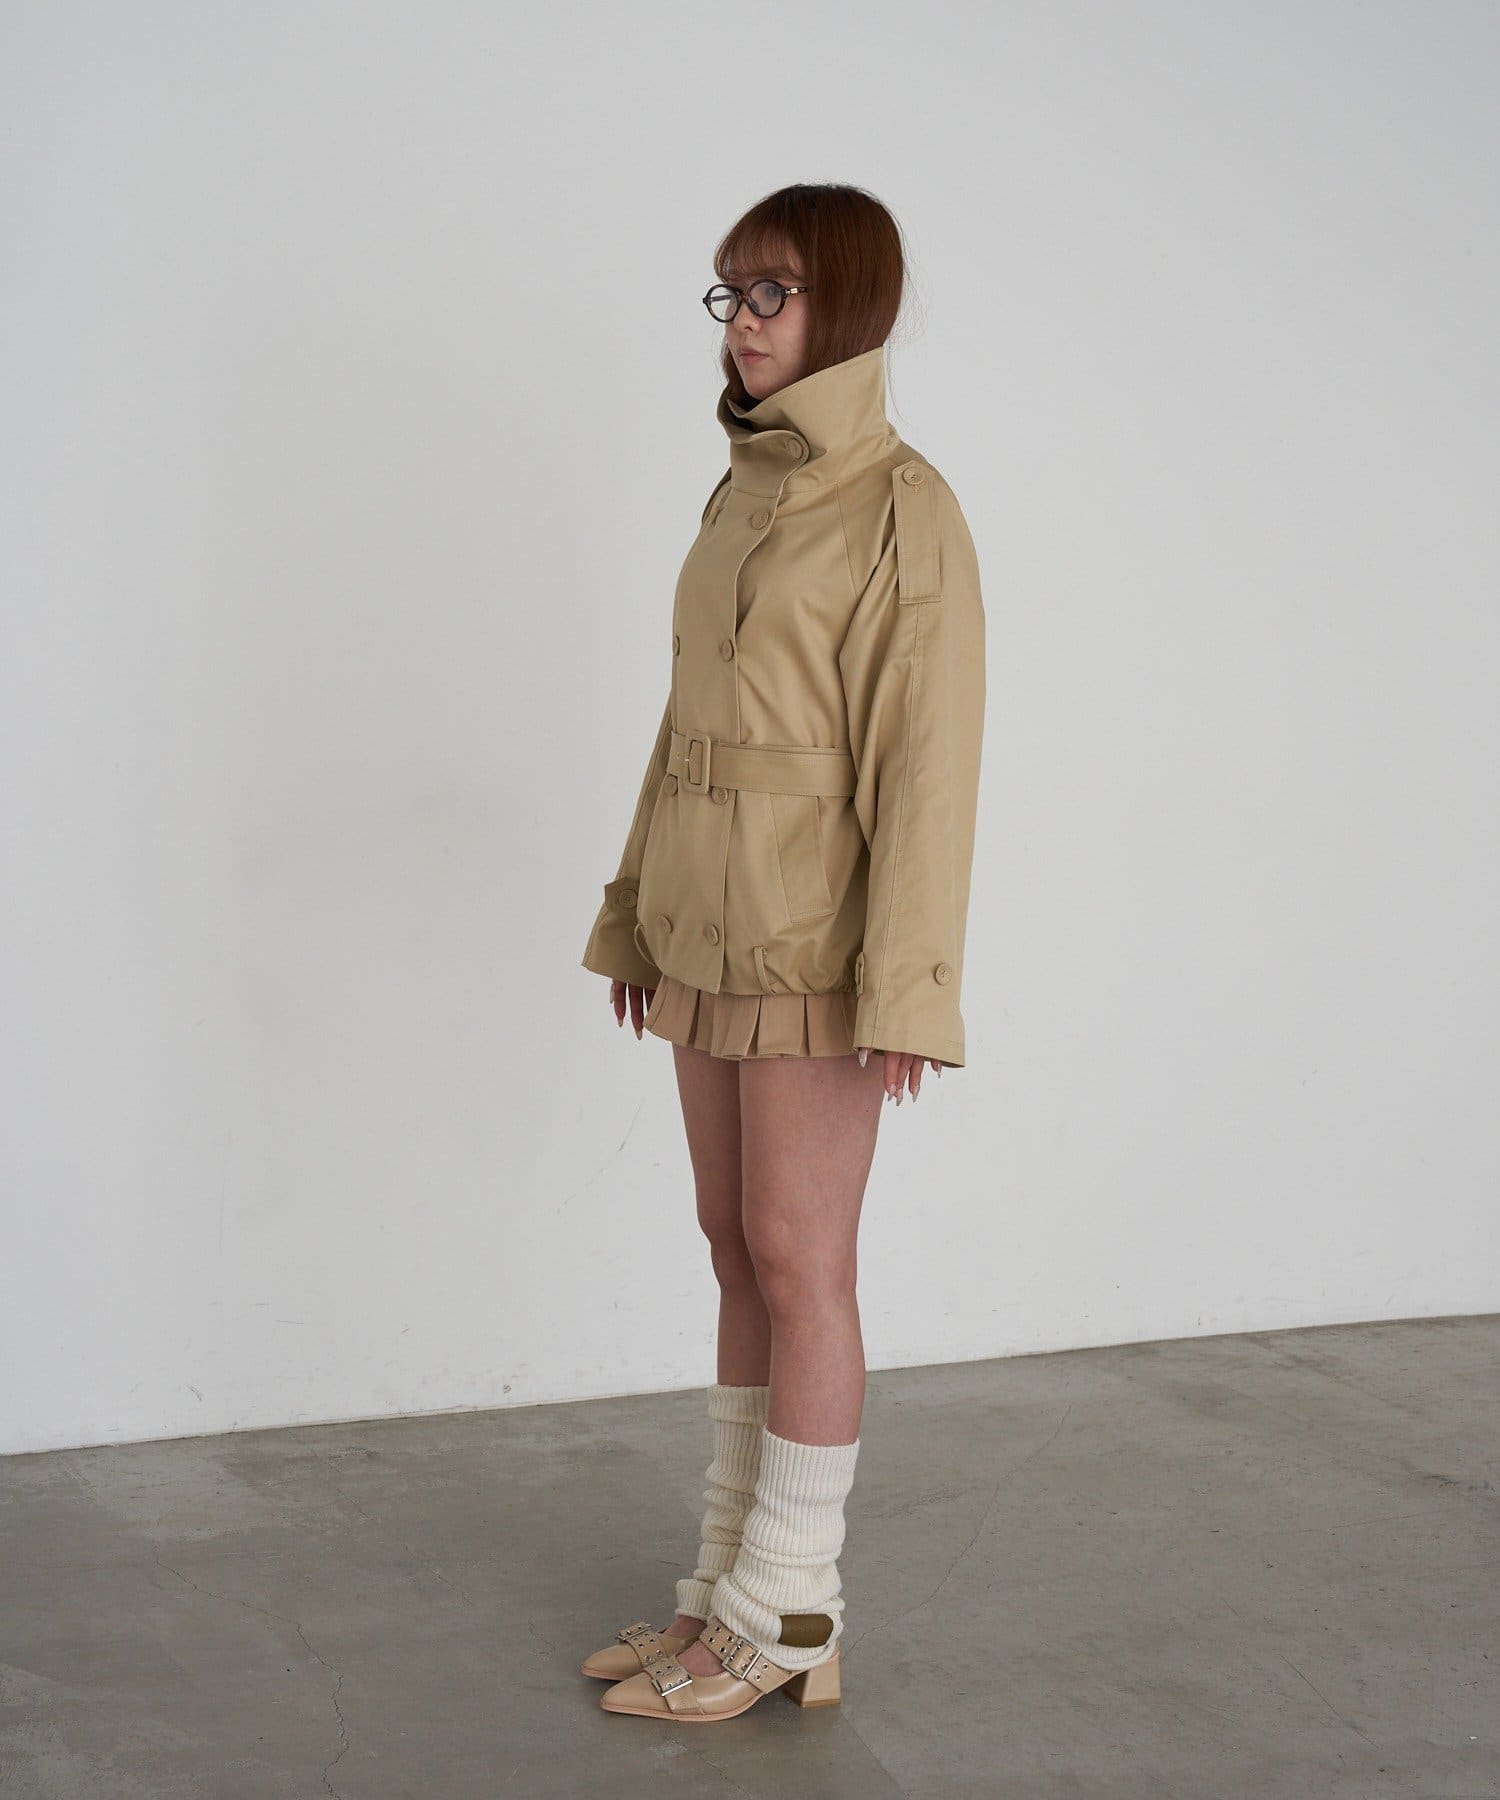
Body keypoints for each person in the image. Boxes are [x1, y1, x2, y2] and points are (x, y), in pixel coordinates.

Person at [576, 182, 987, 1723]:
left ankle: (794, 1611)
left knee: (805, 1261)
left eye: (774, 294)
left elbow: (927, 770)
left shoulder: (903, 508)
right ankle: (721, 1594)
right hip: (702, 924)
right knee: (734, 1246)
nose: (742, 323)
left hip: (819, 942)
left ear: (847, 307)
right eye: (730, 294)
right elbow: (685, 722)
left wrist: (910, 991)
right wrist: (633, 913)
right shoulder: (738, 491)